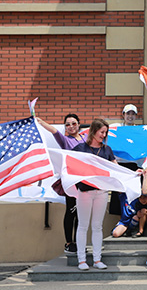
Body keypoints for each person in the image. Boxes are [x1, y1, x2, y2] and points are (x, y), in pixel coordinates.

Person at [71, 118, 119, 271]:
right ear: (94, 131)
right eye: (102, 132)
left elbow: (116, 168)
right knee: (83, 225)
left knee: (97, 226)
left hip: (102, 192)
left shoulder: (107, 149)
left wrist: (133, 174)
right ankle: (81, 260)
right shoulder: (80, 148)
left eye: (105, 133)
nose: (104, 135)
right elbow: (70, 165)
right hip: (84, 191)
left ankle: (97, 260)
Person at [36, 114, 84, 254]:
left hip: (84, 181)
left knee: (82, 213)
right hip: (71, 181)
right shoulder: (65, 140)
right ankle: (69, 242)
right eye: (67, 124)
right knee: (71, 211)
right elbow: (53, 131)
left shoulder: (85, 138)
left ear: (79, 124)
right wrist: (41, 121)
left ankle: (79, 242)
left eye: (73, 123)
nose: (71, 127)